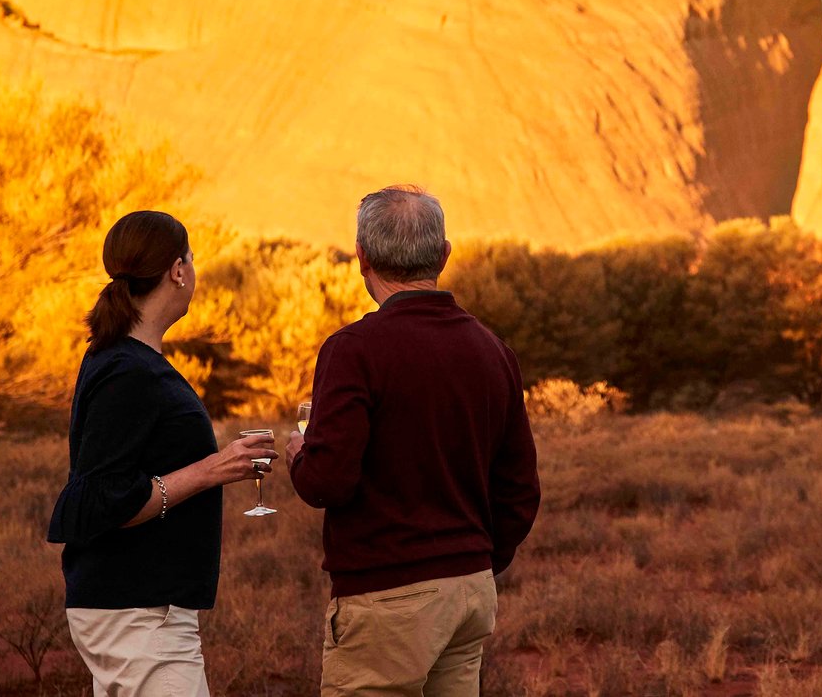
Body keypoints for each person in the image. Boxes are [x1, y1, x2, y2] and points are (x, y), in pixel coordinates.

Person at [286, 186, 540, 697]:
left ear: (361, 257)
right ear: (444, 254)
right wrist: (476, 561)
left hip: (387, 598)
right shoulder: (493, 351)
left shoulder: (353, 350)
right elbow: (520, 491)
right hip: (469, 591)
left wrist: (299, 456)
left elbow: (328, 482)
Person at [47, 210, 278, 697]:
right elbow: (104, 499)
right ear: (177, 270)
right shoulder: (129, 373)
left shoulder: (121, 360)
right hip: (139, 614)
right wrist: (215, 468)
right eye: (191, 260)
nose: (192, 272)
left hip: (135, 609)